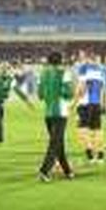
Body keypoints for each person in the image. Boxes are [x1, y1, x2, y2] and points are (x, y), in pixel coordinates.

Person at [37, 51, 75, 182]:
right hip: (60, 113)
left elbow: (40, 94)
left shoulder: (42, 74)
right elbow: (69, 93)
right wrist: (62, 91)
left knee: (58, 143)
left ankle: (68, 171)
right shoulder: (64, 73)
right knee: (55, 143)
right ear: (61, 61)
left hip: (48, 113)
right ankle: (44, 171)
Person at [74, 52, 106, 165]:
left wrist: (74, 102)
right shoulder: (101, 70)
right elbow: (103, 90)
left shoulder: (84, 68)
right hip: (97, 103)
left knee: (82, 130)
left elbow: (81, 87)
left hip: (85, 104)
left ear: (87, 58)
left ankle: (90, 155)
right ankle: (101, 156)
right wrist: (103, 104)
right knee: (97, 130)